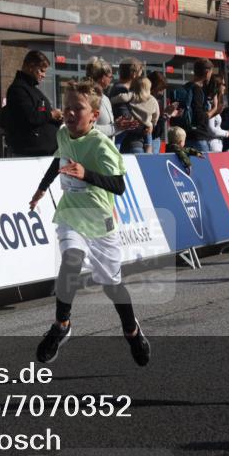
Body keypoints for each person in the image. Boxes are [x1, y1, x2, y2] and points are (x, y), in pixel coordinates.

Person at [29, 78, 150, 366]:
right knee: (70, 260)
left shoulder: (102, 146)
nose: (70, 113)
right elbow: (59, 160)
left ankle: (132, 331)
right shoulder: (63, 133)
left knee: (112, 285)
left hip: (100, 222)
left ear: (94, 115)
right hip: (72, 213)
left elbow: (119, 186)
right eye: (67, 107)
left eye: (78, 108)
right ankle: (62, 325)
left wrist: (86, 175)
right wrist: (42, 188)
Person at [1, 51, 63, 157]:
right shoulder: (18, 89)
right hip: (29, 155)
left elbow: (40, 116)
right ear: (31, 67)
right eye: (41, 71)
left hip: (42, 153)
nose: (44, 75)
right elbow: (30, 117)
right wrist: (52, 114)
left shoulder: (31, 89)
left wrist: (57, 118)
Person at [85, 57, 140, 140]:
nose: (111, 79)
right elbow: (87, 129)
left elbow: (111, 130)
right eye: (110, 76)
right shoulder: (88, 98)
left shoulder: (105, 98)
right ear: (103, 78)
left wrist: (121, 126)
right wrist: (115, 127)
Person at [111, 76, 160, 154]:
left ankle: (115, 151)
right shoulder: (153, 100)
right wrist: (153, 123)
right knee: (148, 137)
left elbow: (122, 98)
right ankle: (149, 150)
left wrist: (112, 100)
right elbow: (156, 115)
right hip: (145, 126)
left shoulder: (132, 95)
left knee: (119, 138)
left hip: (131, 124)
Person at [174, 59, 214, 153]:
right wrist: (214, 110)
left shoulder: (185, 87)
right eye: (211, 73)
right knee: (204, 163)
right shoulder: (197, 90)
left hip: (185, 136)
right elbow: (199, 116)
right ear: (207, 73)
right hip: (199, 137)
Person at [109, 57, 145, 150]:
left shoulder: (119, 88)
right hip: (129, 142)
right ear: (134, 74)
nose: (141, 77)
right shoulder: (121, 90)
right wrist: (144, 126)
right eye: (140, 73)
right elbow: (126, 118)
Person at [206, 75, 229, 152]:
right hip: (212, 144)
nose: (225, 87)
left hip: (217, 143)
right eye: (223, 84)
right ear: (217, 85)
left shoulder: (215, 102)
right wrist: (227, 133)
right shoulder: (210, 103)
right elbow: (211, 129)